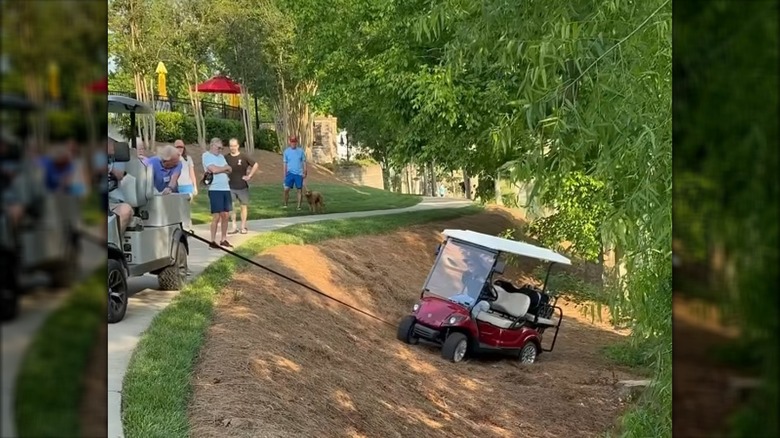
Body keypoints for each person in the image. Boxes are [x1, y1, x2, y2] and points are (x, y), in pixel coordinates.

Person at [201, 137, 233, 248]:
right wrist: (224, 168)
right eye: (219, 148)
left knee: (226, 215)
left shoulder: (221, 157)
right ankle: (212, 240)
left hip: (226, 188)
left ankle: (223, 239)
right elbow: (213, 170)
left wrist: (223, 168)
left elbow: (230, 169)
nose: (220, 150)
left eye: (222, 148)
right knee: (216, 216)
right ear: (212, 145)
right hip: (215, 189)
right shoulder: (206, 156)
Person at [225, 137, 258, 234]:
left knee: (243, 206)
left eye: (234, 146)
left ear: (238, 146)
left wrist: (249, 176)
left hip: (242, 186)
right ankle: (233, 226)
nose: (233, 148)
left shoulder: (243, 157)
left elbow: (255, 164)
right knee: (231, 206)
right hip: (230, 186)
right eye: (231, 146)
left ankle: (243, 226)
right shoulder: (226, 157)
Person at [107, 138, 133, 236]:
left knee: (125, 210)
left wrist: (108, 167)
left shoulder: (118, 158)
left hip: (113, 203)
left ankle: (113, 244)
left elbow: (120, 175)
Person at [282, 135, 307, 210]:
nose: (293, 143)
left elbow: (304, 162)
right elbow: (285, 164)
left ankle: (298, 206)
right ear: (289, 142)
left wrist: (305, 172)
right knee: (286, 189)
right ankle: (285, 204)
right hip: (290, 173)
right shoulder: (286, 151)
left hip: (299, 173)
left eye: (294, 141)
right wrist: (284, 175)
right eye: (292, 141)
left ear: (296, 142)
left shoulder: (301, 151)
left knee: (299, 190)